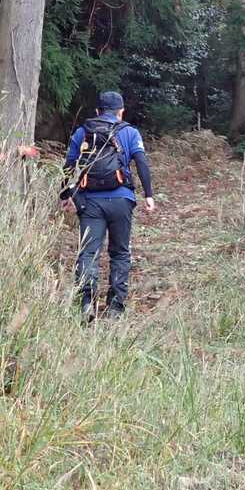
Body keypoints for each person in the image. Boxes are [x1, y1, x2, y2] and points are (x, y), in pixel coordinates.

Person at [61, 90, 155, 321]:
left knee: (88, 252)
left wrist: (65, 194)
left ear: (98, 111)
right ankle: (115, 308)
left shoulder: (83, 131)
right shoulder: (130, 132)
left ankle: (87, 303)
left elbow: (69, 165)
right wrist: (149, 195)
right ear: (121, 111)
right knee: (120, 253)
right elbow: (141, 162)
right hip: (122, 200)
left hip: (90, 201)